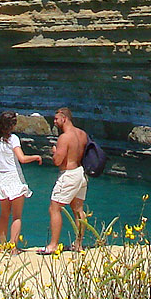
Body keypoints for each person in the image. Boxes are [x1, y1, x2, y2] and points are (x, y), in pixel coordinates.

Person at [39, 106, 88, 254]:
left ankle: (53, 245)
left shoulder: (64, 137)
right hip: (81, 173)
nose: (54, 122)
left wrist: (54, 152)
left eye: (56, 119)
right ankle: (78, 244)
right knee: (78, 209)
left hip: (68, 175)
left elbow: (58, 161)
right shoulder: (82, 134)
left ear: (64, 118)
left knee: (54, 208)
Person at [0, 110, 41, 247]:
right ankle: (13, 246)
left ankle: (2, 245)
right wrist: (36, 157)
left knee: (4, 214)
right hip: (14, 178)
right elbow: (22, 158)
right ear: (12, 125)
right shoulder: (13, 139)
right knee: (17, 216)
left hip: (2, 178)